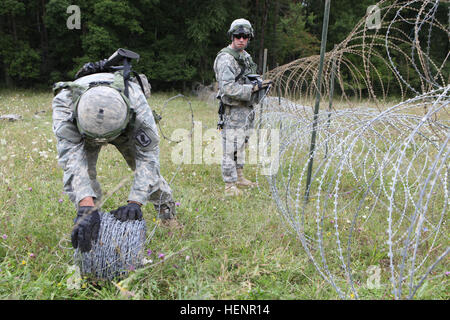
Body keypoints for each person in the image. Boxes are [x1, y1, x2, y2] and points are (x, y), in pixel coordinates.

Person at [52, 66, 179, 253]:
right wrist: (85, 206)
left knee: (149, 174)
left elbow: (148, 160)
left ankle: (168, 217)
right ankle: (95, 225)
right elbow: (72, 161)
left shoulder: (138, 108)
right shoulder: (65, 104)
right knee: (85, 177)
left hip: (123, 128)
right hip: (84, 128)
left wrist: (136, 201)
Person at [213, 18, 271, 196]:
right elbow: (228, 88)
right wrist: (252, 88)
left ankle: (239, 176)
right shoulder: (226, 59)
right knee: (230, 147)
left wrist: (261, 85)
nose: (241, 40)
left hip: (246, 109)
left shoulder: (245, 57)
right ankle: (229, 185)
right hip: (233, 110)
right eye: (238, 36)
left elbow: (249, 77)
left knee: (241, 145)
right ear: (232, 36)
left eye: (245, 36)